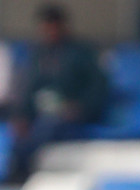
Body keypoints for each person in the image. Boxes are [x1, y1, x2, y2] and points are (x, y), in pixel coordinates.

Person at [10, 5, 108, 180]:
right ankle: (15, 170)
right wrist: (22, 115)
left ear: (62, 26)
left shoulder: (82, 53)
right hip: (43, 115)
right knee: (20, 130)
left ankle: (22, 172)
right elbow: (29, 91)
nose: (48, 32)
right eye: (44, 27)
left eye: (51, 27)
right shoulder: (39, 54)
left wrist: (79, 108)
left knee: (48, 125)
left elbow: (98, 89)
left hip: (72, 119)